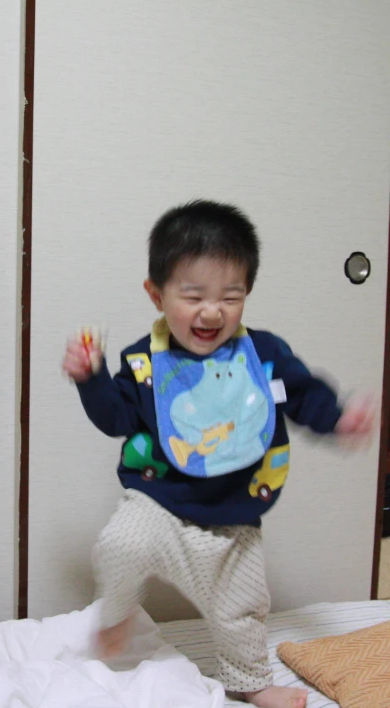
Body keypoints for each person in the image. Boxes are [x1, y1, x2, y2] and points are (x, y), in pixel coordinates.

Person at [62, 200, 373, 708]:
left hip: (235, 515)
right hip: (159, 501)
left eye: (231, 296)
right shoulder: (146, 362)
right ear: (156, 294)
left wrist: (338, 418)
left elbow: (304, 394)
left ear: (247, 294)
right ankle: (116, 613)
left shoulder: (263, 354)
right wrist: (90, 378)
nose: (212, 311)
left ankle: (249, 683)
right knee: (122, 544)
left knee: (242, 608)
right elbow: (115, 419)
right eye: (193, 295)